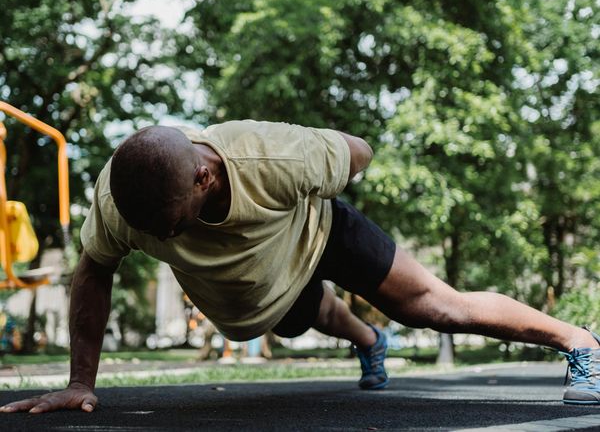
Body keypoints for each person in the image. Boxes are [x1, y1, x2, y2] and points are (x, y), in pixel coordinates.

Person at [1, 120, 599, 414]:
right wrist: (81, 382)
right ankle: (371, 342)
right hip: (263, 290)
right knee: (297, 318)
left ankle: (581, 343)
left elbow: (358, 150)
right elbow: (92, 273)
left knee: (432, 306)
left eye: (169, 222)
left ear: (203, 177)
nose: (159, 236)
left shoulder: (277, 156)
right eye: (148, 231)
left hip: (318, 231)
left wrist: (324, 165)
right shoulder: (118, 203)